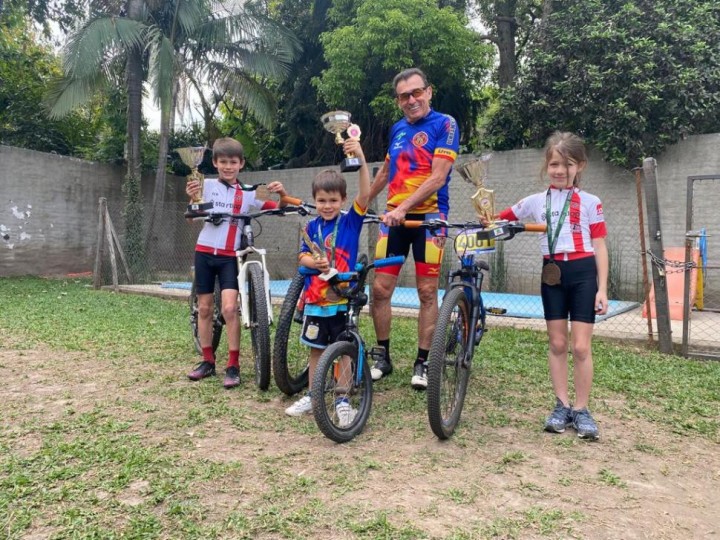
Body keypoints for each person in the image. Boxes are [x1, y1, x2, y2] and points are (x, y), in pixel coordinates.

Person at [496, 131, 608, 440]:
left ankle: (582, 410)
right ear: (547, 165)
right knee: (557, 344)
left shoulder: (591, 202)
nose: (559, 170)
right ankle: (562, 405)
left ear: (580, 166)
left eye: (567, 164)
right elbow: (501, 218)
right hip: (552, 273)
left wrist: (603, 288)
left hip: (584, 273)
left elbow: (599, 245)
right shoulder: (535, 201)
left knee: (581, 346)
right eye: (554, 164)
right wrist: (486, 218)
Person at [368, 67, 460, 390]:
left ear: (429, 91)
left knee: (426, 292)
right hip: (394, 220)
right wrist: (359, 204)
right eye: (404, 96)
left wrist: (405, 207)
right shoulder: (397, 129)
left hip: (429, 220)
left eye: (416, 92)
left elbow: (438, 177)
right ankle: (383, 355)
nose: (411, 100)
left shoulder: (445, 124)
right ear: (398, 101)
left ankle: (422, 362)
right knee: (379, 290)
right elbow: (386, 172)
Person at [186, 137, 288, 389]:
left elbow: (279, 208)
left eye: (233, 162)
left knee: (230, 309)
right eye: (223, 162)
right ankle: (207, 360)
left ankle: (233, 365)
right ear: (215, 163)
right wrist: (192, 199)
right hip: (204, 252)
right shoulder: (205, 184)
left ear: (241, 164)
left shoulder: (249, 193)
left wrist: (282, 193)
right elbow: (192, 215)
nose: (228, 167)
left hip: (231, 256)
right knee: (206, 308)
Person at [284, 139, 370, 425]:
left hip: (342, 301)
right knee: (316, 351)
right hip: (314, 303)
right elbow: (302, 257)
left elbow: (367, 193)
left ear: (343, 201)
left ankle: (343, 399)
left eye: (333, 200)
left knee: (343, 352)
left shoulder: (349, 222)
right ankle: (314, 393)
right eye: (321, 200)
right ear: (314, 200)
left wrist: (360, 159)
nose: (327, 205)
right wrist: (314, 263)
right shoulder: (311, 227)